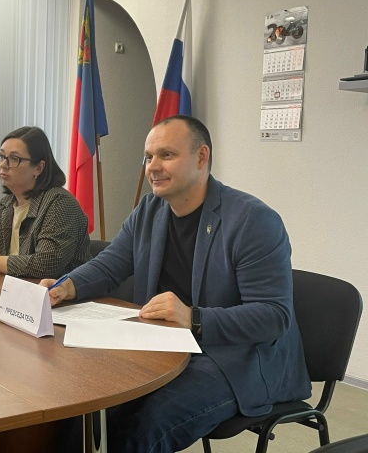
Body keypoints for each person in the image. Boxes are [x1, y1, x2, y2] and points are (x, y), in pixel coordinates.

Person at [42, 115, 311, 452]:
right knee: (79, 403)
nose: (152, 166)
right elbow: (111, 264)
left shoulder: (253, 220)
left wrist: (193, 318)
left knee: (147, 423)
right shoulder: (150, 208)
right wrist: (66, 286)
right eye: (148, 156)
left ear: (201, 157)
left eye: (166, 155)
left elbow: (274, 316)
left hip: (238, 359)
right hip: (165, 347)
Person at [0, 126, 90, 278]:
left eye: (14, 159)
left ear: (38, 168)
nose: (3, 164)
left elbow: (45, 265)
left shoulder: (60, 203)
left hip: (58, 292)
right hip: (14, 288)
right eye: (2, 156)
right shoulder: (5, 205)